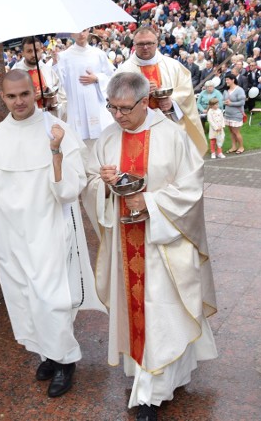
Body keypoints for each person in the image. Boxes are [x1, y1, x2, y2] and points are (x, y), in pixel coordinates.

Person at [84, 72, 217, 421]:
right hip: (124, 245)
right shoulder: (108, 138)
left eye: (125, 108)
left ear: (145, 102)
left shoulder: (172, 136)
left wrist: (149, 203)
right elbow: (89, 183)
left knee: (162, 314)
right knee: (142, 314)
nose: (117, 116)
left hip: (163, 245)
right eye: (112, 107)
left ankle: (151, 395)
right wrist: (106, 185)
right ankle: (153, 384)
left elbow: (192, 188)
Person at [0, 70, 104, 399]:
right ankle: (49, 355)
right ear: (2, 97)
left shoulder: (58, 130)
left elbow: (69, 190)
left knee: (52, 298)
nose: (19, 101)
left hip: (50, 228)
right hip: (11, 234)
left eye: (24, 94)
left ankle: (66, 360)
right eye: (11, 96)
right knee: (24, 298)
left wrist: (55, 150)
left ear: (35, 92)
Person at [119, 26, 207, 155]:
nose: (145, 47)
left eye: (149, 43)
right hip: (139, 127)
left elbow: (186, 91)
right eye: (141, 44)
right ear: (134, 44)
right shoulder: (123, 71)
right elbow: (117, 99)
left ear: (157, 43)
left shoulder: (173, 66)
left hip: (170, 124)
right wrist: (141, 92)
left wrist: (172, 101)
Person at [55, 28, 116, 146]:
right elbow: (58, 81)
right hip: (76, 108)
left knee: (101, 144)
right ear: (71, 34)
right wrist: (54, 63)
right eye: (77, 31)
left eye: (84, 30)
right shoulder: (64, 57)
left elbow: (112, 77)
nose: (81, 34)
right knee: (81, 146)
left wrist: (97, 78)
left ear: (89, 31)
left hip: (97, 106)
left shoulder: (98, 54)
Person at [12, 36, 67, 120]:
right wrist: (30, 97)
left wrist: (52, 98)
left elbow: (62, 96)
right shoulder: (15, 74)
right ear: (22, 53)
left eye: (36, 50)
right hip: (29, 121)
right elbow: (11, 99)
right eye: (29, 51)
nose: (33, 55)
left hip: (50, 118)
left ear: (41, 50)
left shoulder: (48, 70)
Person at [222, 73, 246, 154]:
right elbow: (223, 100)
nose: (226, 81)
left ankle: (241, 147)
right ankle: (234, 146)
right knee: (231, 132)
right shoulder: (226, 90)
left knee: (236, 132)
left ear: (233, 80)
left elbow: (242, 102)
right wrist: (224, 102)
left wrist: (230, 103)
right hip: (228, 115)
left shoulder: (239, 90)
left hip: (236, 114)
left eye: (228, 80)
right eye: (226, 80)